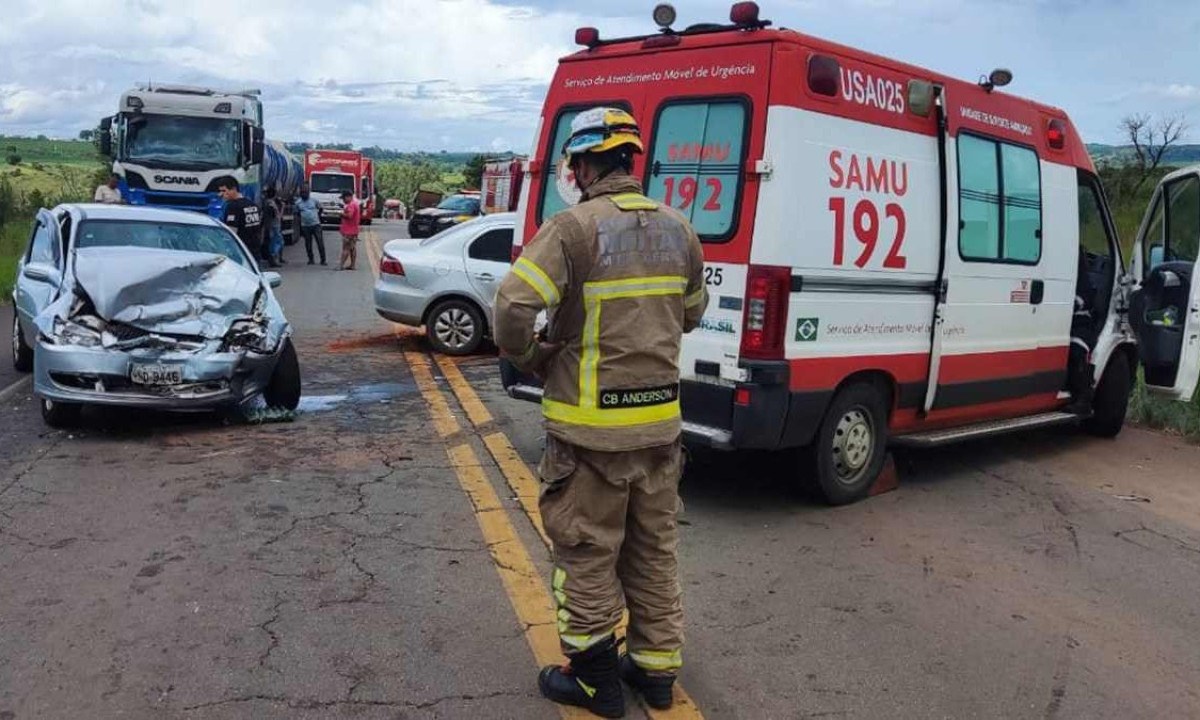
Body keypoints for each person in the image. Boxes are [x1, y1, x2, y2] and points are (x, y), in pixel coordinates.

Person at [493, 107, 708, 719]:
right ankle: (656, 671)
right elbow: (691, 312)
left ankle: (592, 679)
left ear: (585, 164)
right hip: (659, 430)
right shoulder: (680, 230)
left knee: (586, 553)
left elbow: (512, 305)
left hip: (589, 436)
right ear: (629, 162)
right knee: (652, 550)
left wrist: (531, 354)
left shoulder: (571, 230)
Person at [216, 177, 264, 262]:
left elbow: (231, 232)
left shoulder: (233, 206)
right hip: (254, 251)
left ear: (234, 189)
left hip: (240, 252)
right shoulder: (252, 205)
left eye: (224, 191)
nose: (220, 194)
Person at [294, 184, 325, 265]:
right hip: (305, 226)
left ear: (309, 192)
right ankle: (311, 259)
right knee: (308, 243)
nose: (304, 194)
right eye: (303, 192)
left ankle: (323, 260)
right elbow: (296, 213)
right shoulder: (298, 203)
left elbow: (320, 208)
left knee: (320, 242)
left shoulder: (314, 200)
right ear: (300, 193)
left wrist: (318, 216)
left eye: (306, 192)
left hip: (316, 225)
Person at [337, 190, 361, 271]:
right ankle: (353, 265)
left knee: (346, 248)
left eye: (344, 198)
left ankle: (341, 265)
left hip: (348, 230)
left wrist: (341, 214)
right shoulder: (355, 204)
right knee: (352, 248)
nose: (343, 200)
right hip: (354, 230)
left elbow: (349, 216)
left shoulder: (351, 205)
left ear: (348, 197)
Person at [263, 187, 285, 267]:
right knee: (276, 242)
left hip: (272, 226)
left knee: (275, 242)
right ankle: (273, 260)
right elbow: (277, 216)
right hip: (274, 226)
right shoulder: (271, 204)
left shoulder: (268, 202)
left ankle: (274, 259)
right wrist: (282, 207)